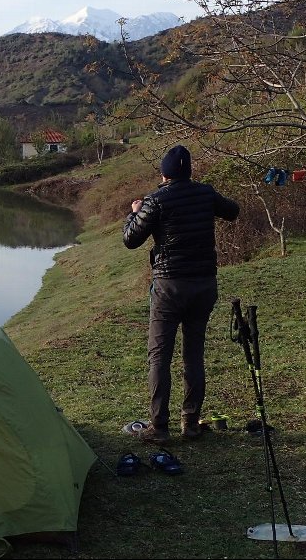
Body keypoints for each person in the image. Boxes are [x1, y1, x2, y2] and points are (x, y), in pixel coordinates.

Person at [122, 144, 240, 444]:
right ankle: (189, 423)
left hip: (169, 286)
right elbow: (233, 211)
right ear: (190, 172)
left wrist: (133, 213)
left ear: (164, 173)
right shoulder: (205, 193)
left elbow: (131, 240)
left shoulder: (155, 200)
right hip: (203, 285)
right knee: (193, 355)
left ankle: (159, 427)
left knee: (159, 356)